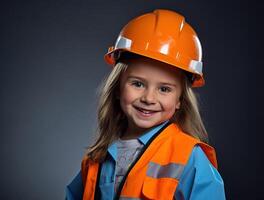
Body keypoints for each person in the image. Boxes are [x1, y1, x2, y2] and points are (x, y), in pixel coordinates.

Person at [66, 9, 226, 200]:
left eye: (164, 89)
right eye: (138, 84)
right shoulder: (97, 158)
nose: (149, 98)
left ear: (180, 101)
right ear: (118, 88)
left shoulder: (189, 157)